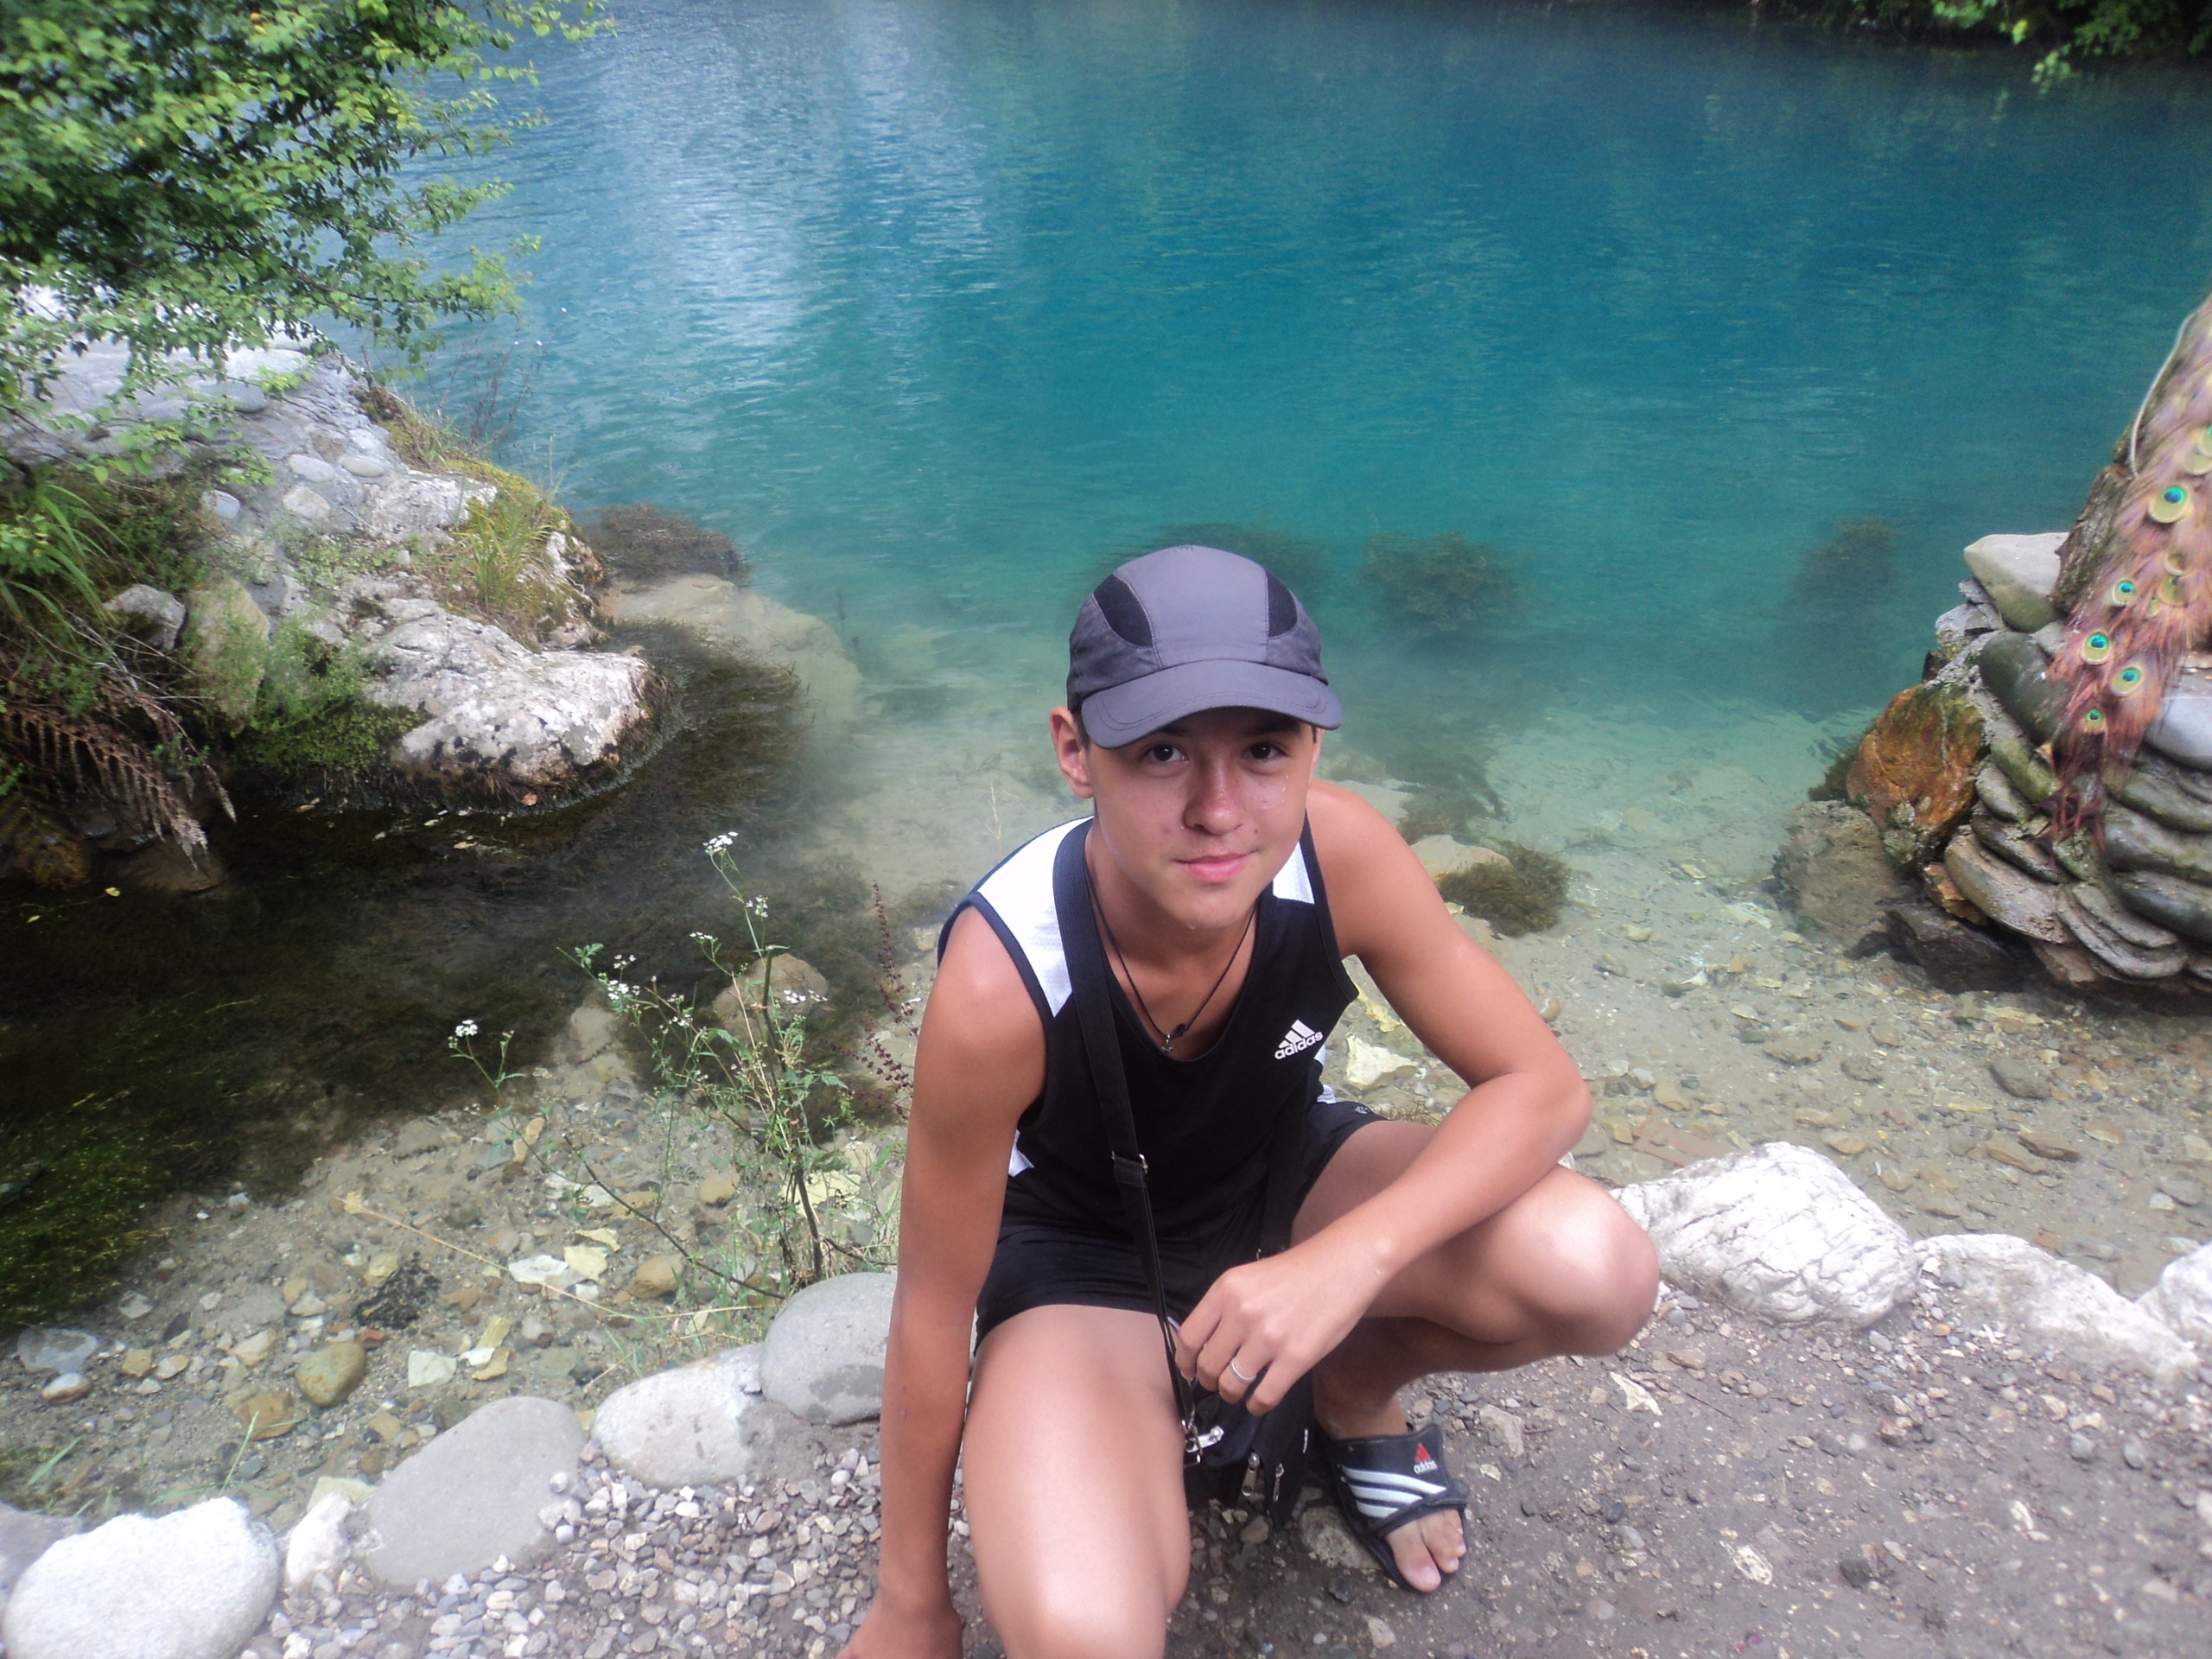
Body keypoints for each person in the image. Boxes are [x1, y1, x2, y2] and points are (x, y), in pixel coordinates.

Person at [843, 545, 1657, 1659]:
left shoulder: (1342, 857)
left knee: (1596, 1268)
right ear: (1076, 752)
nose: (1220, 810)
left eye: (1264, 750)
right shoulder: (1004, 983)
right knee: (1082, 1637)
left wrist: (1347, 1264)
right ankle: (1136, 1425)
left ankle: (1351, 1392)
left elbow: (1542, 1087)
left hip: (1285, 1180)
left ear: (1315, 749)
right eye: (1163, 751)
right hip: (1083, 1255)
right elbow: (934, 1309)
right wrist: (911, 1604)